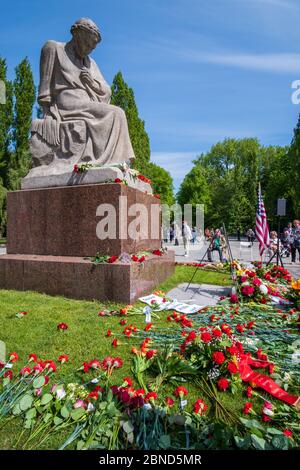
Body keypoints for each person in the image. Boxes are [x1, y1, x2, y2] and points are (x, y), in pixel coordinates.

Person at [34, 18, 135, 167]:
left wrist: (91, 83)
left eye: (93, 47)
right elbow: (45, 87)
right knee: (116, 113)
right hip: (66, 102)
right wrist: (47, 113)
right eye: (88, 44)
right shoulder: (53, 48)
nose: (90, 49)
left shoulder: (90, 63)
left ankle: (116, 161)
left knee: (117, 112)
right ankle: (113, 160)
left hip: (87, 102)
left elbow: (107, 91)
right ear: (77, 34)